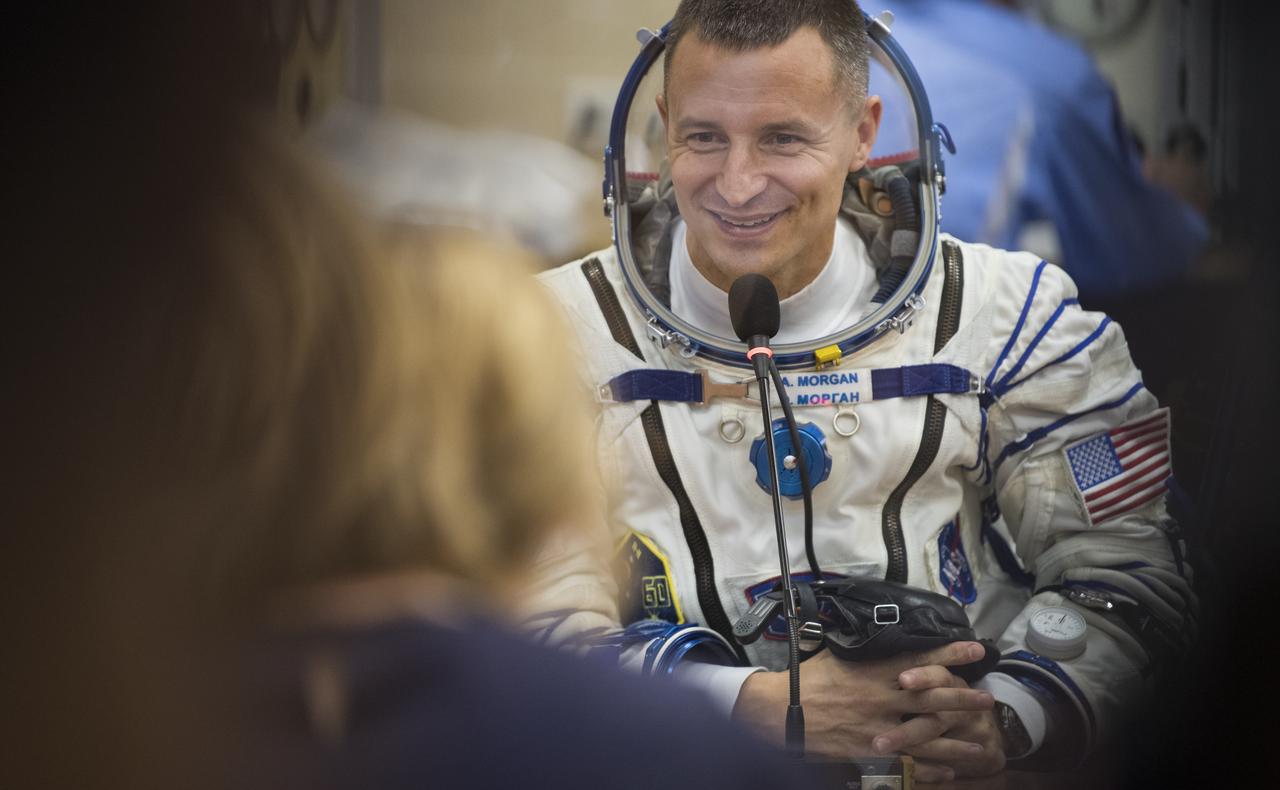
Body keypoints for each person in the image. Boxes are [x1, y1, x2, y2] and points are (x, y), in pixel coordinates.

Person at [533, 0, 1194, 782]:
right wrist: (749, 704)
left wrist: (1006, 716)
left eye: (782, 138)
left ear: (863, 132)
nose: (738, 186)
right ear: (664, 121)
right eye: (703, 137)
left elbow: (1130, 566)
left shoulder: (1007, 321)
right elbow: (519, 612)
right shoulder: (550, 336)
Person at [881, 0, 1210, 301]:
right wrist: (1182, 197)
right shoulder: (1051, 79)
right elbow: (1145, 250)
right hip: (930, 341)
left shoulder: (845, 20)